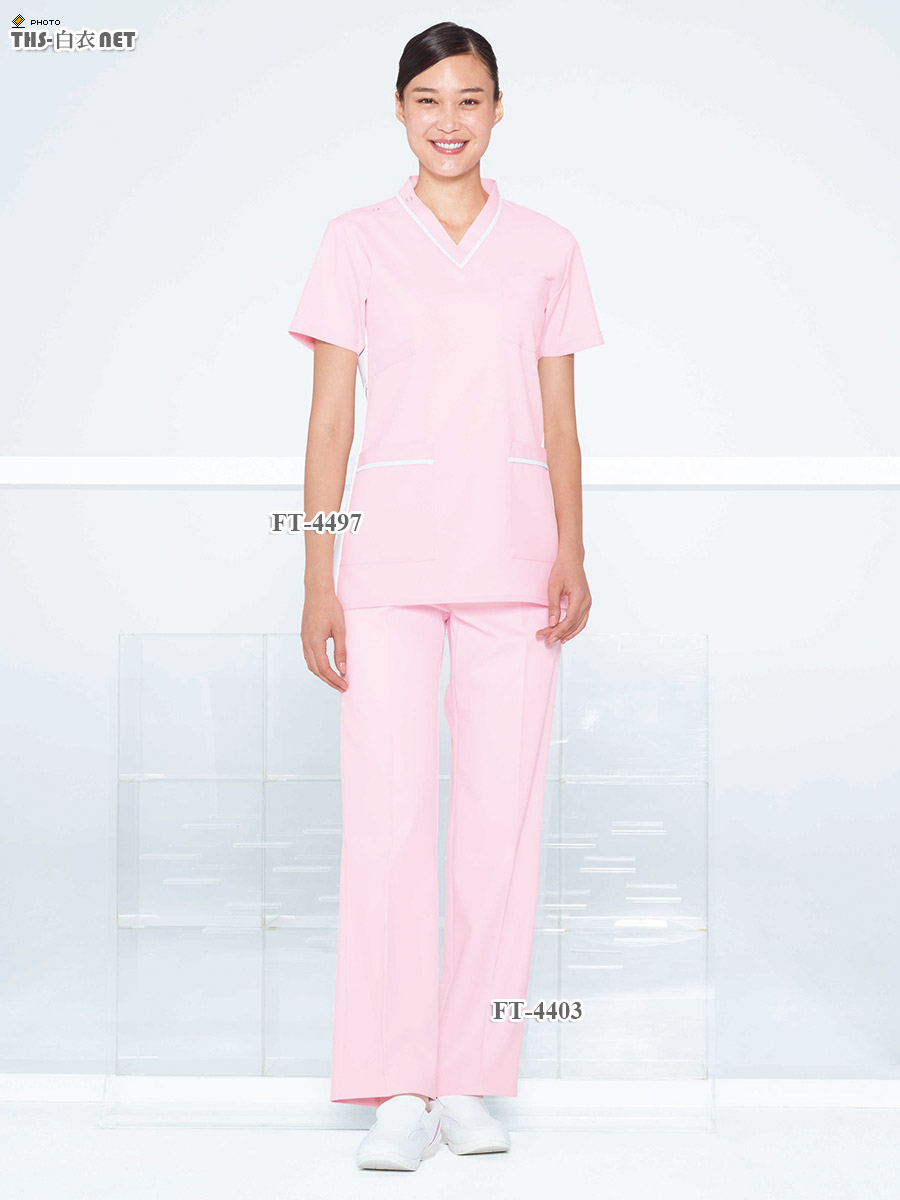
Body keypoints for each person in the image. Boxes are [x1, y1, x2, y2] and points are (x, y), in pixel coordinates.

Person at [288, 21, 604, 1172]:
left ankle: (470, 1078)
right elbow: (331, 421)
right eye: (429, 99)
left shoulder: (548, 248)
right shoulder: (357, 241)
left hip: (515, 563)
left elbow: (560, 420)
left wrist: (573, 549)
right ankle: (396, 1085)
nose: (450, 120)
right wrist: (316, 573)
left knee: (499, 826)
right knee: (387, 820)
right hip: (386, 566)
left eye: (470, 99)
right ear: (400, 110)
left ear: (498, 109)